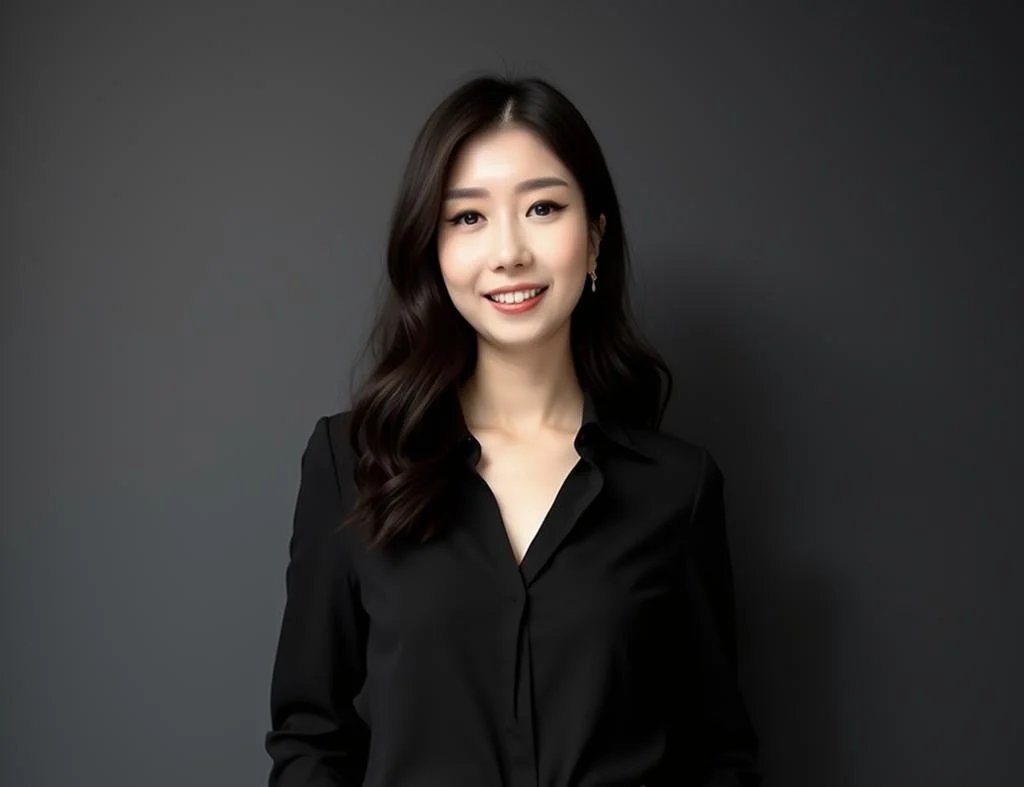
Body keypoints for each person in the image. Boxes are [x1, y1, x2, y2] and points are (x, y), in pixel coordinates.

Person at [265, 73, 761, 787]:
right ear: (432, 249)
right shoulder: (351, 463)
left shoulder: (677, 488)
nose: (509, 252)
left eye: (543, 207)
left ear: (593, 239)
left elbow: (716, 752)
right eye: (468, 217)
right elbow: (310, 737)